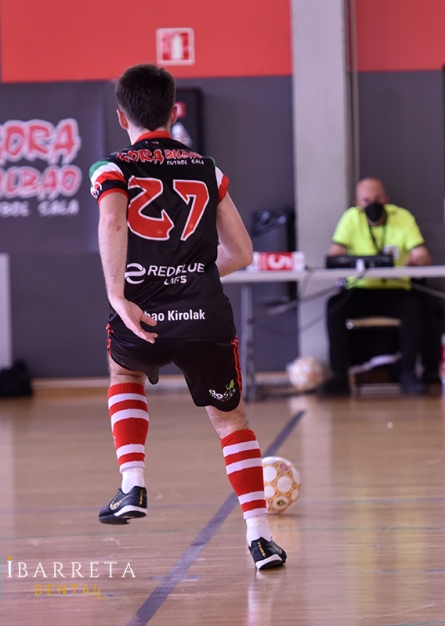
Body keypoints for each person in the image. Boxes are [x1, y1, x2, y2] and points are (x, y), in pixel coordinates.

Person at [89, 64, 286, 571]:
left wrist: (117, 295)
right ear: (173, 112)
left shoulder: (112, 168)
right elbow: (241, 253)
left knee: (125, 375)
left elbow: (112, 219)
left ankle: (133, 483)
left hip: (143, 312)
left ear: (121, 116)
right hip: (204, 315)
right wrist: (192, 276)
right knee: (231, 422)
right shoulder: (206, 168)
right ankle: (260, 539)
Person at [320, 177, 433, 396]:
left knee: (414, 307)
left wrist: (417, 259)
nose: (373, 204)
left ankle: (408, 374)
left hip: (395, 290)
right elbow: (334, 256)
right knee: (334, 306)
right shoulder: (351, 218)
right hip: (359, 291)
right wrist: (341, 262)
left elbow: (423, 255)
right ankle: (340, 378)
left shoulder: (402, 217)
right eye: (366, 200)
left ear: (386, 199)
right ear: (357, 203)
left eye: (378, 199)